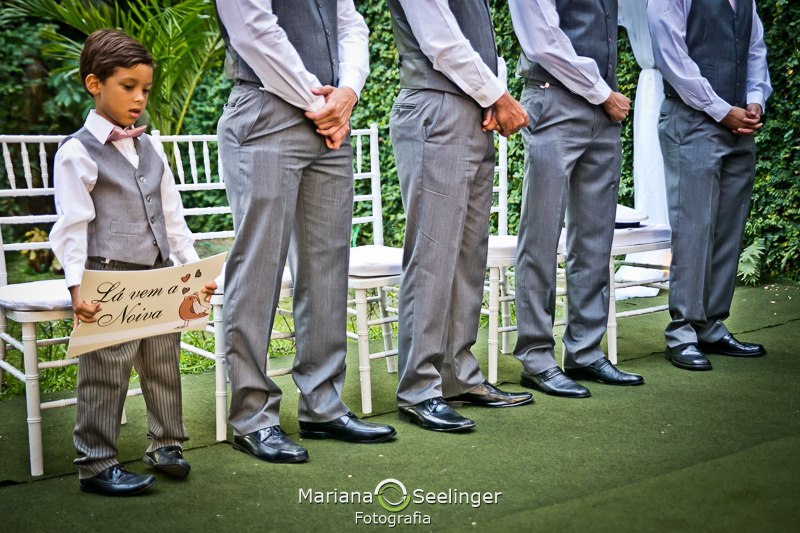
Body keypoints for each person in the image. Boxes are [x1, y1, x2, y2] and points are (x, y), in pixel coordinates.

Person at [214, 0, 396, 463]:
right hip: (266, 115)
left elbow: (349, 23)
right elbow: (252, 28)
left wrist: (348, 92)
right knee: (258, 270)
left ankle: (323, 405)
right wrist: (320, 104)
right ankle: (253, 418)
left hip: (330, 125)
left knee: (326, 268)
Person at [50, 29, 216, 496]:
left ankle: (166, 444)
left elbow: (172, 217)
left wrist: (192, 271)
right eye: (128, 86)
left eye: (145, 88)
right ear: (94, 84)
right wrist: (77, 286)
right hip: (109, 275)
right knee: (107, 368)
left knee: (163, 360)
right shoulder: (77, 151)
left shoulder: (152, 146)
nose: (140, 98)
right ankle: (96, 463)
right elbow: (71, 225)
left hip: (161, 271)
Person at [388, 0, 534, 433]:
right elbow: (440, 39)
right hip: (435, 108)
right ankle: (419, 389)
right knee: (432, 259)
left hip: (472, 112)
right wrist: (498, 97)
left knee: (468, 257)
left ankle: (458, 377)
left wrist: (488, 96)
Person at [508, 0, 644, 398]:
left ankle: (585, 351)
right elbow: (543, 41)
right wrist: (603, 93)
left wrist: (603, 98)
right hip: (555, 101)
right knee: (540, 236)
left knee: (595, 238)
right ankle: (536, 357)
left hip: (603, 112)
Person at [648, 0, 771, 370]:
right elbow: (672, 56)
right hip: (692, 120)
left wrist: (755, 100)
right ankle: (682, 333)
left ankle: (711, 326)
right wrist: (721, 109)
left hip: (739, 125)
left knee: (728, 228)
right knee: (694, 226)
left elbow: (754, 49)